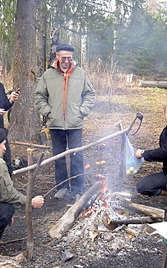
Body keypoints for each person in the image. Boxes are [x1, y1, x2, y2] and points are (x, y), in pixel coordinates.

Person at [34, 43, 96, 199]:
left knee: (76, 155)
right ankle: (62, 187)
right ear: (57, 57)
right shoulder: (48, 75)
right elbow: (39, 96)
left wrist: (82, 111)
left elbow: (90, 94)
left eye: (69, 58)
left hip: (75, 124)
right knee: (58, 156)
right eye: (64, 58)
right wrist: (48, 113)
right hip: (55, 124)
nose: (67, 61)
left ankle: (77, 188)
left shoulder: (80, 74)